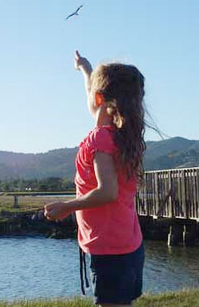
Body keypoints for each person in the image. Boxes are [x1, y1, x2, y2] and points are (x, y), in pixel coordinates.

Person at [44, 50, 146, 307]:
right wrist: (85, 69)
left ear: (100, 99)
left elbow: (107, 191)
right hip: (129, 245)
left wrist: (67, 207)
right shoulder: (120, 134)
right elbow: (96, 97)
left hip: (109, 248)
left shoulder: (100, 139)